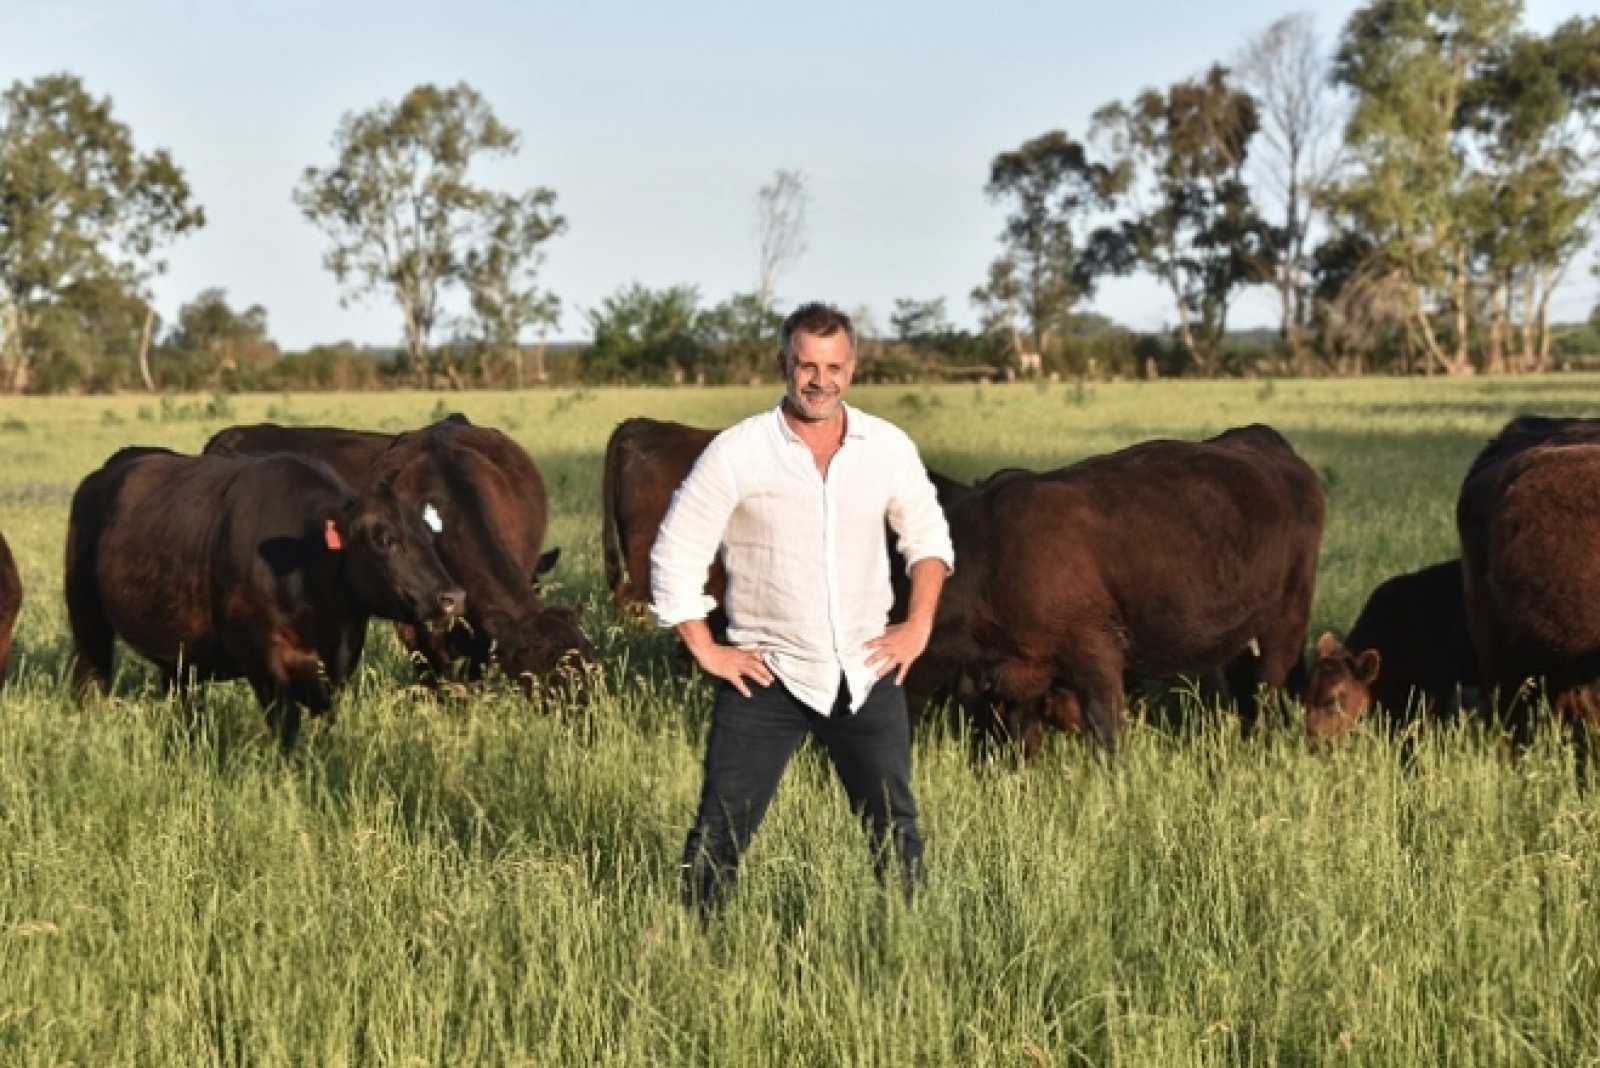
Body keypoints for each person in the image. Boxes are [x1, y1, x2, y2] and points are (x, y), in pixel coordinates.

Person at [650, 301, 954, 912]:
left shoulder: (885, 446)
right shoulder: (738, 451)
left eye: (834, 366)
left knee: (897, 832)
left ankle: (914, 947)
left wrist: (918, 624)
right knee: (719, 832)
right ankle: (694, 947)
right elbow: (675, 550)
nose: (821, 380)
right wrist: (705, 647)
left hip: (867, 671)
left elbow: (928, 539)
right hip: (766, 676)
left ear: (853, 366)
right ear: (783, 364)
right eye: (807, 366)